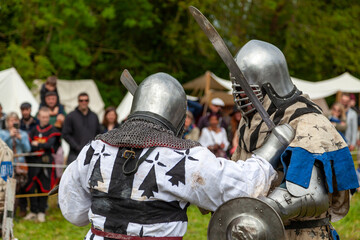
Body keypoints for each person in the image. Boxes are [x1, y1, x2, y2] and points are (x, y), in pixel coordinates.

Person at [58, 72, 294, 239]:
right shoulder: (185, 157)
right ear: (179, 117)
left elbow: (74, 212)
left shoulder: (94, 148)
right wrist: (275, 144)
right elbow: (242, 186)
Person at [230, 40, 359, 240]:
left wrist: (260, 210)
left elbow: (312, 195)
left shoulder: (308, 121)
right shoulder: (249, 124)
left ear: (269, 87)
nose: (239, 95)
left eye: (247, 89)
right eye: (238, 89)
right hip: (257, 232)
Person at [24, 107, 61, 222]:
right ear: (39, 117)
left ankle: (41, 212)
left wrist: (38, 144)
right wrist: (40, 145)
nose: (44, 119)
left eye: (47, 117)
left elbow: (50, 145)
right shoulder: (34, 130)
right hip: (34, 162)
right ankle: (33, 211)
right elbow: (29, 145)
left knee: (43, 187)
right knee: (31, 186)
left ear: (49, 118)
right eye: (42, 117)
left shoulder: (53, 130)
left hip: (46, 162)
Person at [0, 112, 31, 217]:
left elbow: (28, 149)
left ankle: (20, 211)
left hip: (20, 164)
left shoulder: (23, 134)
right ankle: (7, 213)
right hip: (7, 164)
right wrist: (10, 136)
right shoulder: (2, 133)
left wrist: (20, 138)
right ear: (7, 122)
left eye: (16, 120)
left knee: (20, 188)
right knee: (6, 189)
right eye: (11, 120)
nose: (14, 122)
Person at [62, 92, 101, 165]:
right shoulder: (71, 116)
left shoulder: (94, 116)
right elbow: (65, 134)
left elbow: (98, 133)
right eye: (81, 100)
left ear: (88, 101)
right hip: (75, 154)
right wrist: (76, 147)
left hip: (91, 153)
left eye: (86, 100)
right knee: (73, 176)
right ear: (78, 101)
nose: (84, 102)